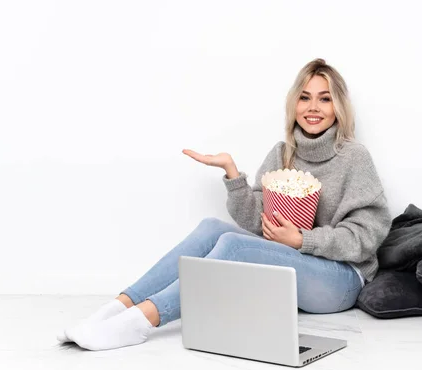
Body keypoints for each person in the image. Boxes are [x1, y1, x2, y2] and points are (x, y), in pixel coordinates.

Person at [57, 58, 392, 351]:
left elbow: (368, 234)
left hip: (343, 279)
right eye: (304, 97)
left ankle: (141, 322)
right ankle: (116, 308)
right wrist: (233, 174)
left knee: (232, 245)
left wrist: (303, 240)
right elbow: (257, 221)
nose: (313, 107)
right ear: (294, 104)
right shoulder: (283, 154)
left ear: (339, 106)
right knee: (211, 228)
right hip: (298, 268)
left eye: (325, 98)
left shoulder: (353, 157)